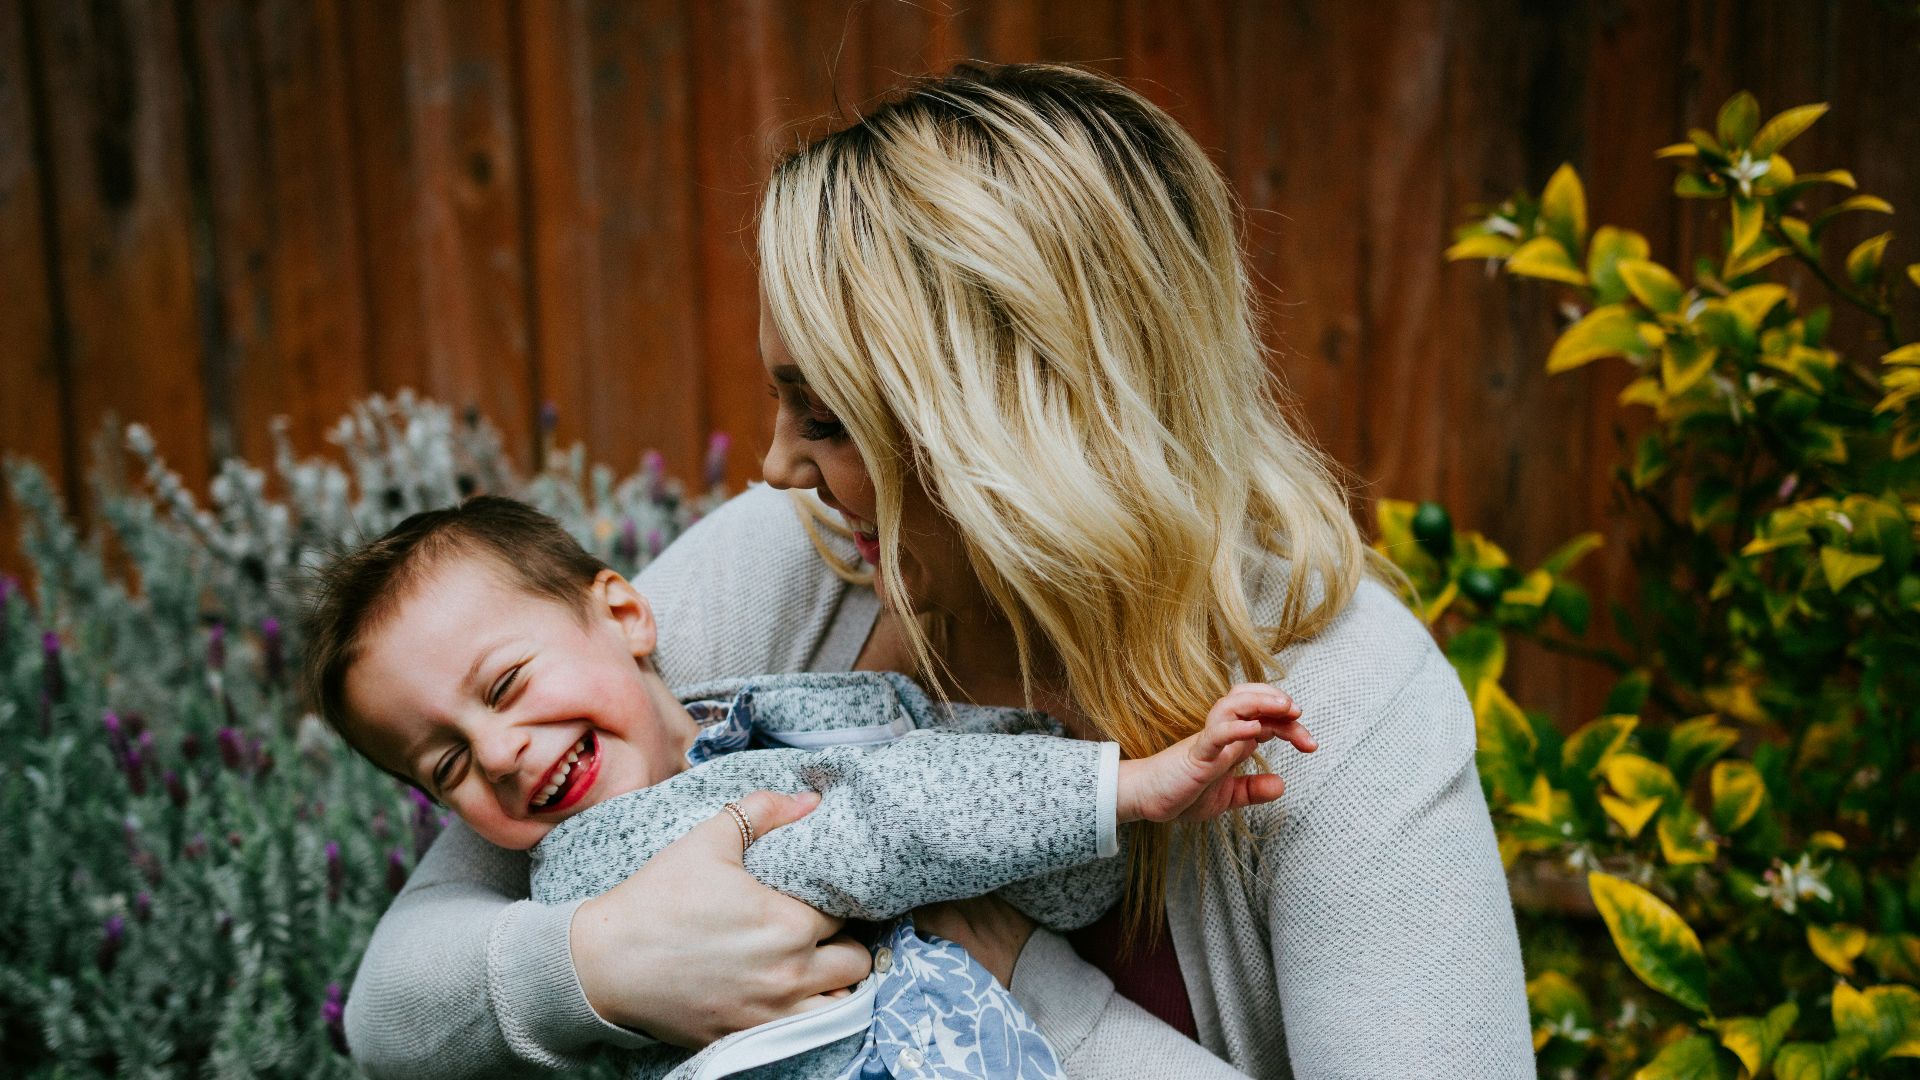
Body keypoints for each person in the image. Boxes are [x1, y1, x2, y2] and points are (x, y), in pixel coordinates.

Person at [345, 62, 1534, 1079]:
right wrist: (599, 966)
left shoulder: (1342, 702)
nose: (775, 468)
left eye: (829, 422)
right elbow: (396, 999)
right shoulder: (788, 571)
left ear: (1021, 427)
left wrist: (1026, 986)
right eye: (782, 403)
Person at [312, 495, 1310, 1078]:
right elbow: (885, 825)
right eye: (446, 766)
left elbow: (1020, 881)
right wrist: (1123, 792)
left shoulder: (767, 724)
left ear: (625, 612)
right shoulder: (618, 856)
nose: (495, 753)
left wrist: (1092, 837)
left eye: (505, 686)